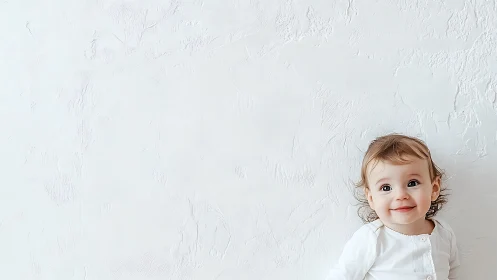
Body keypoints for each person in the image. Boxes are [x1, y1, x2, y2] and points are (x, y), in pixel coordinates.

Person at [328, 134, 460, 279]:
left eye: (412, 183)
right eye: (386, 188)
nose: (400, 195)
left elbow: (453, 274)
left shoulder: (444, 233)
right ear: (371, 198)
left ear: (434, 189)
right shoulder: (372, 239)